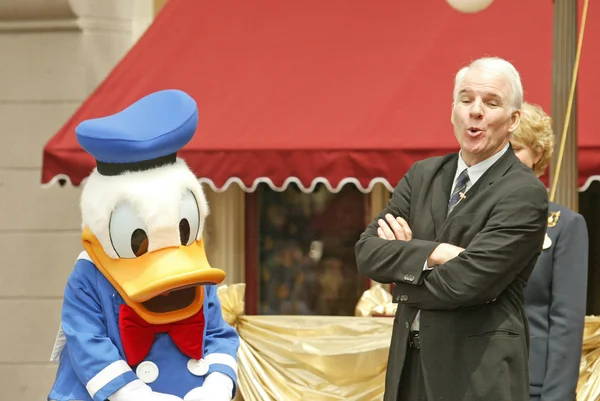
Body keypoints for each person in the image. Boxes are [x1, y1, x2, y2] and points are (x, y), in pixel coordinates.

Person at [355, 57, 549, 401]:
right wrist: (435, 253)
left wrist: (403, 268)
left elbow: (469, 282)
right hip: (407, 370)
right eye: (465, 99)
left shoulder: (524, 191)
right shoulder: (422, 175)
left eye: (491, 103)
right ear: (452, 111)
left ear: (513, 120)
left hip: (476, 374)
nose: (475, 111)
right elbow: (367, 253)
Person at [511, 102, 588, 401]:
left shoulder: (565, 225)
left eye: (515, 149)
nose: (505, 158)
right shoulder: (472, 220)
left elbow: (567, 323)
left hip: (534, 385)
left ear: (537, 154)